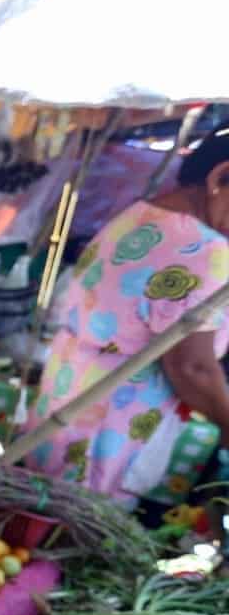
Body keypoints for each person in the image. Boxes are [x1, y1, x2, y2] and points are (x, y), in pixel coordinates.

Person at [23, 127, 229, 503]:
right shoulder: (207, 250)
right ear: (219, 178)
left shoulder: (140, 215)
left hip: (66, 401)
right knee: (73, 533)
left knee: (34, 517)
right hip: (109, 429)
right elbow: (192, 367)